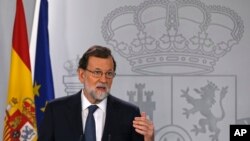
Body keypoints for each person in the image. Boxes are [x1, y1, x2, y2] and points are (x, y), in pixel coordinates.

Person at [38, 45, 154, 141]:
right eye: (97, 73)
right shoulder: (56, 111)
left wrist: (148, 139)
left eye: (109, 74)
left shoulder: (129, 114)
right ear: (82, 75)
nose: (104, 80)